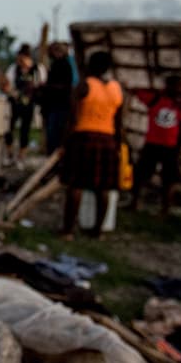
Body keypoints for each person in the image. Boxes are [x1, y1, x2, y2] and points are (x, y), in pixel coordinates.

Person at [61, 51, 124, 238]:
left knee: (76, 184)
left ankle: (68, 230)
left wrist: (64, 143)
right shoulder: (116, 88)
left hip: (84, 137)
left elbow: (72, 118)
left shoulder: (84, 86)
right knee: (103, 188)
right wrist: (118, 144)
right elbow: (119, 121)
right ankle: (98, 230)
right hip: (108, 139)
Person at [130, 74, 181, 215]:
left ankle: (165, 209)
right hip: (153, 143)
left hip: (170, 146)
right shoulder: (156, 98)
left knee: (169, 179)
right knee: (140, 174)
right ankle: (135, 202)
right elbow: (135, 91)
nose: (180, 89)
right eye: (177, 86)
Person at [4, 43, 46, 166]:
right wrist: (11, 92)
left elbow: (42, 84)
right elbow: (6, 84)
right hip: (14, 103)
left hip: (30, 103)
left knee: (25, 130)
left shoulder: (38, 69)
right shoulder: (13, 69)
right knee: (9, 128)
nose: (21, 61)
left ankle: (21, 156)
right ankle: (9, 154)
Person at [38, 41, 74, 155]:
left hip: (59, 105)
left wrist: (47, 86)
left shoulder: (63, 64)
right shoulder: (57, 64)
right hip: (54, 105)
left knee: (55, 135)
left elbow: (64, 85)